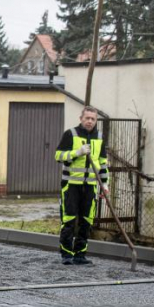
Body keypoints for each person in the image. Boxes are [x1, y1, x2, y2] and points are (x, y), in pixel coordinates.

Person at [54, 106, 110, 265]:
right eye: (87, 118)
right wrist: (77, 153)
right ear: (81, 119)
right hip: (71, 185)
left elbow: (102, 162)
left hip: (90, 186)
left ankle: (80, 254)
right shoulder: (71, 134)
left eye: (93, 119)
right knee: (69, 219)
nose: (90, 121)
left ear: (96, 120)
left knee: (86, 220)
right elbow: (58, 156)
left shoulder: (99, 137)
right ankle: (66, 254)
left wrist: (105, 184)